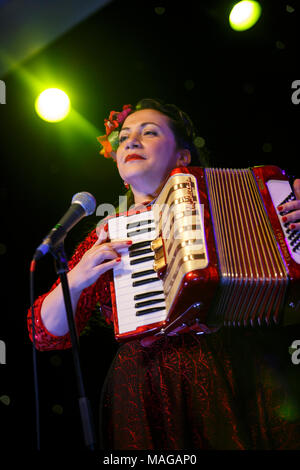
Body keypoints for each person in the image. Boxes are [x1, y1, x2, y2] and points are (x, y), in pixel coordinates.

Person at [28, 98, 300, 450]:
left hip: (238, 374)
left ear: (183, 157)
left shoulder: (253, 203)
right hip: (149, 385)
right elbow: (44, 333)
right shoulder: (107, 237)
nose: (131, 141)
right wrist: (77, 278)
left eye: (149, 132)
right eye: (124, 137)